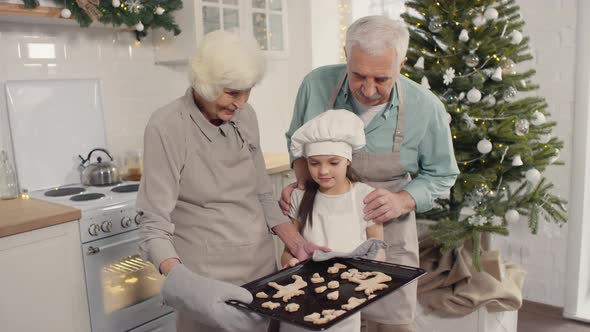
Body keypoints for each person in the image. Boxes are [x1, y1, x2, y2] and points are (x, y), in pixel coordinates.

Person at [136, 30, 326, 332]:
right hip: (207, 279)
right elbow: (153, 222)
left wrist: (297, 242)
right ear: (204, 84)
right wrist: (184, 283)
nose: (240, 103)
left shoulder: (246, 116)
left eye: (247, 91)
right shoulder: (167, 126)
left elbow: (263, 193)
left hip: (261, 268)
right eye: (231, 92)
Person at [281, 16, 460, 332]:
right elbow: (296, 141)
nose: (368, 89)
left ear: (401, 64)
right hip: (322, 230)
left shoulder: (425, 108)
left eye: (381, 79)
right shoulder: (315, 85)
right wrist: (301, 181)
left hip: (387, 231)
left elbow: (443, 174)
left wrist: (403, 200)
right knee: (321, 315)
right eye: (358, 75)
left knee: (391, 324)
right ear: (346, 56)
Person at [280, 110, 386, 332]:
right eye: (314, 163)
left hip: (346, 296)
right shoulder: (299, 197)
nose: (323, 171)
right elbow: (288, 251)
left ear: (347, 160)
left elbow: (377, 246)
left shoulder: (365, 196)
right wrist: (290, 262)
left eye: (333, 162)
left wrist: (368, 270)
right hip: (304, 293)